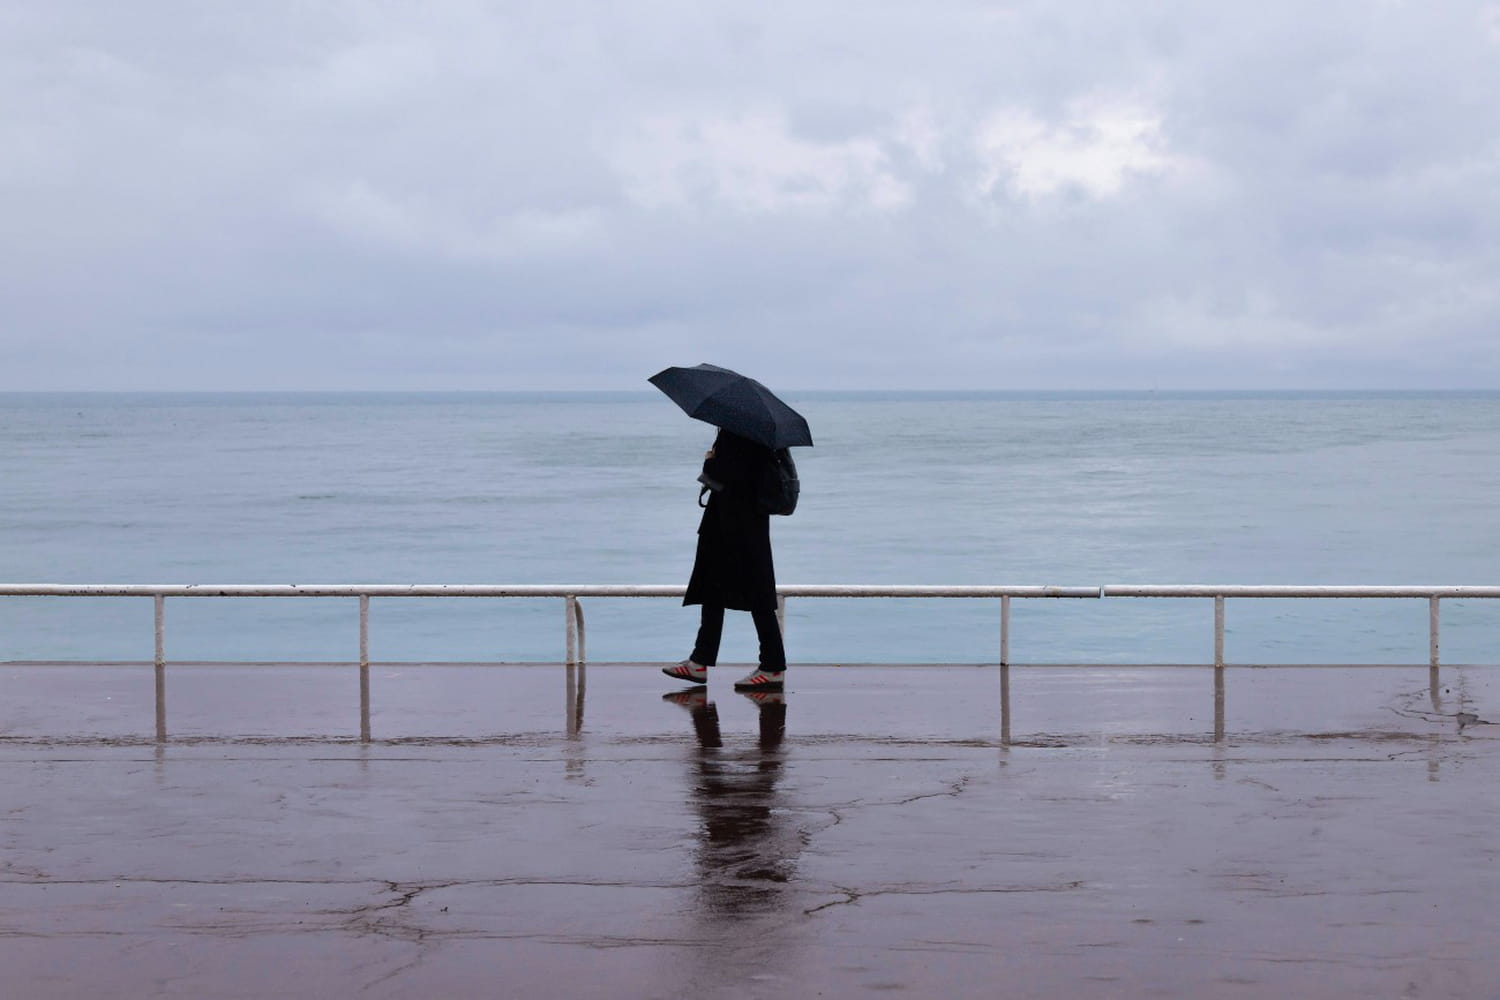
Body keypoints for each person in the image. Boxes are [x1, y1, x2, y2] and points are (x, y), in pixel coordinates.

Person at [663, 429, 786, 691]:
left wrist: (710, 460)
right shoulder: (758, 436)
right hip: (740, 524)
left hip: (735, 525)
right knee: (713, 590)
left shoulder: (737, 434)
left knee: (756, 595)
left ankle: (772, 666)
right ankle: (700, 661)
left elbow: (726, 475)